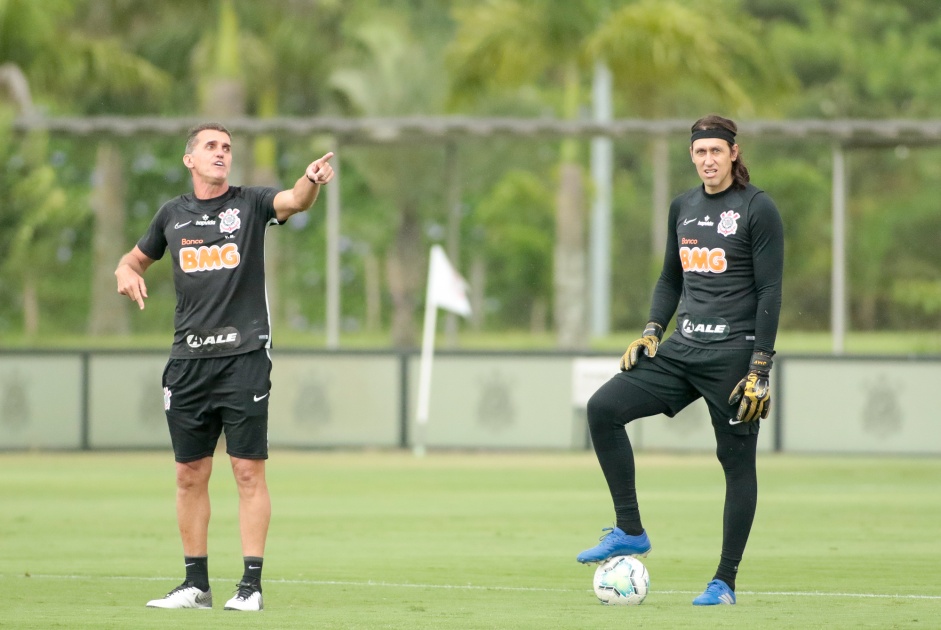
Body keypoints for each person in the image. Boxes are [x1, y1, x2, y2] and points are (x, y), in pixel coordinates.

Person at [115, 122, 335, 611]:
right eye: (211, 147)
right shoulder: (171, 214)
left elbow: (294, 202)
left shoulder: (250, 204)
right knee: (190, 474)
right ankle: (196, 585)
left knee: (247, 473)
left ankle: (250, 588)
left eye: (227, 148)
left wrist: (311, 180)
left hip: (244, 358)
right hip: (188, 363)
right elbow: (131, 261)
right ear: (189, 159)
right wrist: (125, 274)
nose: (221, 154)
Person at [576, 114, 784, 606]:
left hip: (733, 356)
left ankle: (724, 581)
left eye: (716, 151)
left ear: (734, 153)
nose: (707, 160)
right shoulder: (683, 207)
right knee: (603, 410)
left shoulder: (758, 209)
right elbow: (671, 278)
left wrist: (760, 367)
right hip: (680, 350)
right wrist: (652, 331)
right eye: (699, 152)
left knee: (736, 464)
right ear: (691, 156)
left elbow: (771, 289)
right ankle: (630, 529)